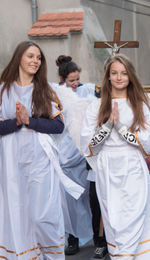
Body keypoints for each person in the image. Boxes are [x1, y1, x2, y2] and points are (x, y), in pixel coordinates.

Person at [80, 54, 150, 259]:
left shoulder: (140, 106)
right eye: (114, 73)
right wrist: (108, 126)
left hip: (132, 165)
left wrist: (122, 129)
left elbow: (148, 143)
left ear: (130, 76)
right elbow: (88, 145)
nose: (119, 77)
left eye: (124, 73)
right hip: (108, 169)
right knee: (114, 218)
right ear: (107, 77)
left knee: (134, 215)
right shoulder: (95, 107)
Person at [0, 41, 69, 259]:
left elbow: (58, 126)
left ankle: (51, 255)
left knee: (42, 216)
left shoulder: (45, 90)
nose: (35, 61)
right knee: (18, 213)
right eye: (30, 56)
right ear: (19, 57)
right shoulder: (3, 90)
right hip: (11, 163)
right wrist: (16, 123)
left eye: (38, 58)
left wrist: (29, 121)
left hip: (40, 161)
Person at [55, 55, 93, 255]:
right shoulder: (56, 93)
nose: (76, 83)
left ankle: (93, 232)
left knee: (87, 195)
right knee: (69, 199)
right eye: (72, 81)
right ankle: (72, 236)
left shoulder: (86, 90)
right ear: (63, 79)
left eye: (77, 79)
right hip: (65, 149)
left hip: (82, 150)